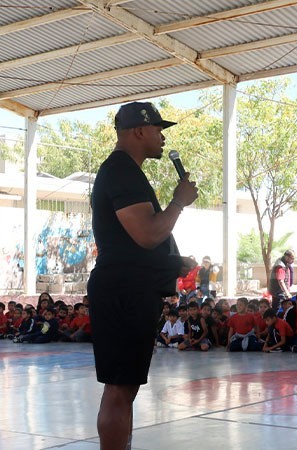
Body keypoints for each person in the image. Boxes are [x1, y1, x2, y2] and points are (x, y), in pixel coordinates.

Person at [87, 101, 198, 450]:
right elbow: (148, 234)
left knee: (126, 386)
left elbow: (133, 245)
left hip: (130, 288)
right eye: (158, 129)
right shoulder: (120, 170)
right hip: (124, 292)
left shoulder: (126, 171)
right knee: (120, 388)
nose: (162, 137)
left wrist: (170, 262)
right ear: (139, 130)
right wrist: (178, 202)